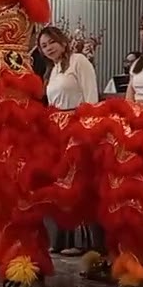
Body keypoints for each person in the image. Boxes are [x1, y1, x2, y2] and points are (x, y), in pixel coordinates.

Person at [37, 25, 102, 255]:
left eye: (51, 43)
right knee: (59, 184)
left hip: (77, 125)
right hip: (57, 131)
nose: (48, 49)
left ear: (62, 41)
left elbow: (91, 97)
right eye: (43, 46)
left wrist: (87, 128)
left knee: (77, 183)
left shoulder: (79, 61)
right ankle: (61, 238)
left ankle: (81, 240)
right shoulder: (53, 70)